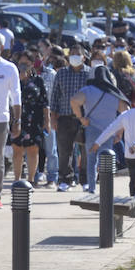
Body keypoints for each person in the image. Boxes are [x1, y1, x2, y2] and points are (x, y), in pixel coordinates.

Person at [71, 66, 130, 194]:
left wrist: (81, 118)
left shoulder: (87, 90)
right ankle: (106, 188)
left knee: (91, 160)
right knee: (107, 161)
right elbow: (126, 112)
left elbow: (74, 101)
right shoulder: (114, 92)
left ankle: (91, 188)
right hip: (109, 131)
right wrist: (119, 132)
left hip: (91, 129)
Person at [89, 87, 135, 196]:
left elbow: (111, 128)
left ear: (133, 102)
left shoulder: (125, 115)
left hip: (130, 155)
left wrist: (98, 142)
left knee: (134, 179)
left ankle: (134, 201)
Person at [48, 48, 88, 193]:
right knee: (64, 150)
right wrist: (53, 118)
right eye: (72, 54)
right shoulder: (61, 73)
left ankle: (85, 180)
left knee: (85, 151)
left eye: (77, 54)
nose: (74, 57)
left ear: (84, 57)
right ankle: (65, 179)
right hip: (64, 117)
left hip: (84, 118)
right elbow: (55, 97)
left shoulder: (90, 74)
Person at [11, 52, 48, 189]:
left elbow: (45, 101)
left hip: (34, 119)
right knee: (17, 150)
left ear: (32, 64)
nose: (23, 65)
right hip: (17, 118)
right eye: (21, 62)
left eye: (26, 63)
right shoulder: (14, 79)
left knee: (33, 150)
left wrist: (47, 121)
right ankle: (17, 179)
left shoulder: (38, 80)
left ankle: (31, 179)